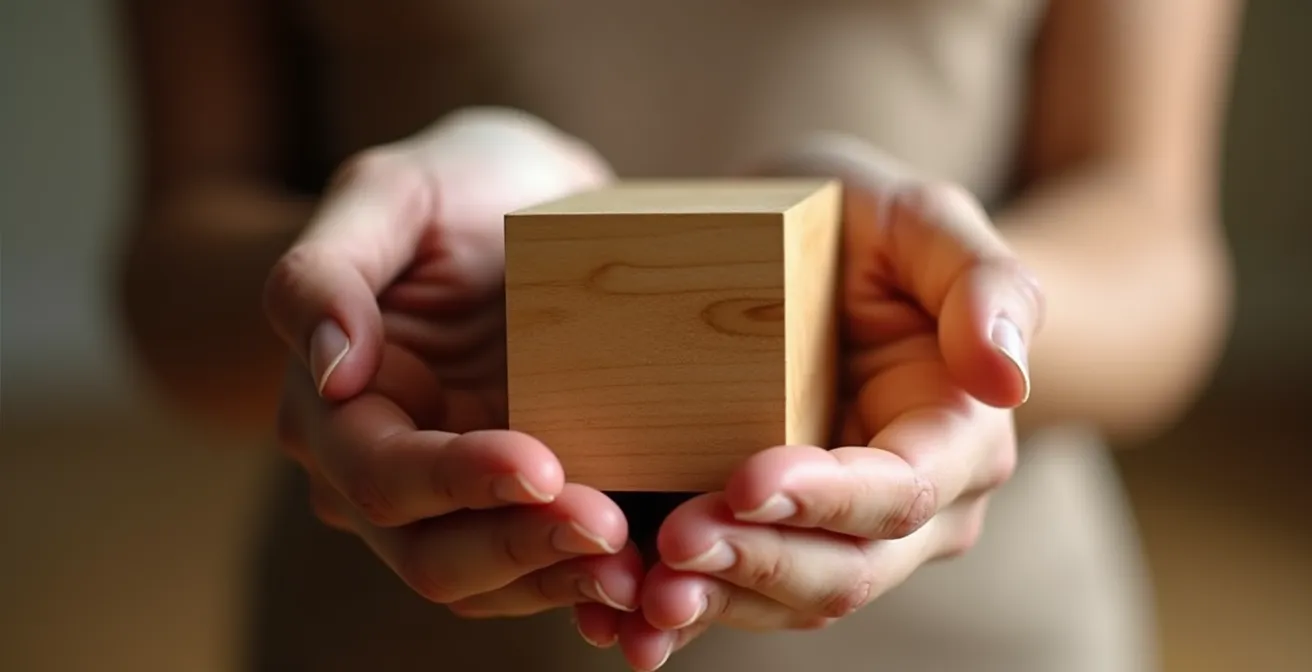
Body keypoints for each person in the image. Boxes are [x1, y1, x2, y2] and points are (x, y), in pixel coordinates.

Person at [115, 1, 1242, 670]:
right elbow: (175, 248)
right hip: (395, 629)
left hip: (973, 633)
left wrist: (971, 312)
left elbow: (1155, 234)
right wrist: (345, 306)